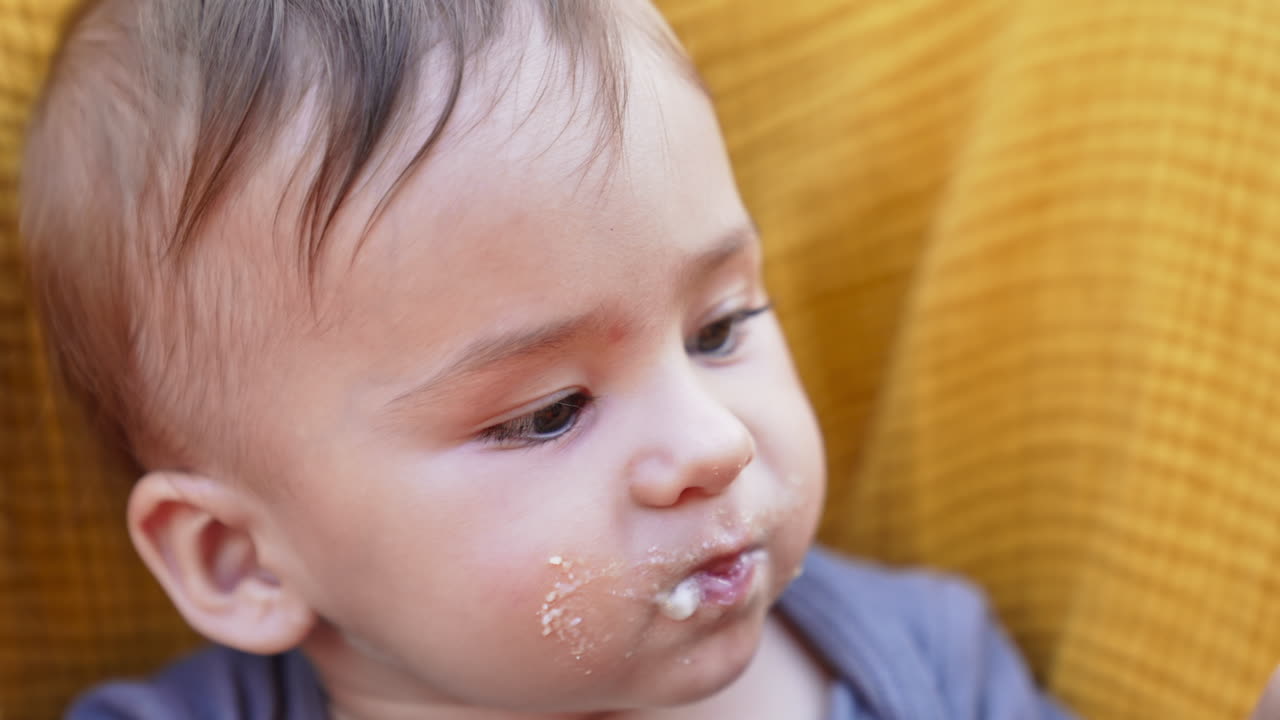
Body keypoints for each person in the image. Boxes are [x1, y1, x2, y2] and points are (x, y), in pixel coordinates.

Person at [21, 1, 1076, 717]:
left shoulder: (927, 664)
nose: (714, 443)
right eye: (546, 412)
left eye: (718, 329)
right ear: (239, 559)